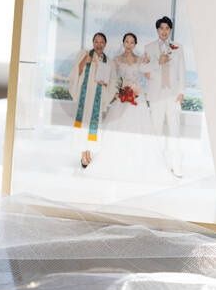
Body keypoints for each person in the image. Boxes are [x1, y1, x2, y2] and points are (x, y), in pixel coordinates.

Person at [85, 33, 172, 184]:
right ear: (123, 43)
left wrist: (154, 66)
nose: (129, 44)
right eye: (127, 41)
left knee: (138, 129)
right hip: (122, 97)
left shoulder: (141, 59)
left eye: (132, 42)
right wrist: (103, 78)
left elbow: (149, 75)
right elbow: (110, 76)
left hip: (137, 97)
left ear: (135, 44)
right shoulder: (117, 60)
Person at [143, 16, 185, 177]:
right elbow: (144, 68)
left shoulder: (178, 47)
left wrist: (181, 92)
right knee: (156, 130)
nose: (164, 31)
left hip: (173, 95)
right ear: (157, 30)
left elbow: (181, 70)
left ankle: (176, 166)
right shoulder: (149, 48)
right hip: (156, 95)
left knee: (175, 131)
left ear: (170, 30)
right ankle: (154, 165)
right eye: (161, 28)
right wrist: (154, 65)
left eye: (167, 28)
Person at [68, 32, 114, 168]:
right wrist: (85, 61)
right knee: (83, 124)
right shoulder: (84, 54)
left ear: (105, 44)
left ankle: (89, 150)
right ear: (93, 42)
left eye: (101, 42)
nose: (99, 44)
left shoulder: (108, 62)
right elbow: (76, 72)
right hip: (85, 96)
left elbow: (111, 82)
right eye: (96, 41)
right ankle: (83, 153)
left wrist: (106, 84)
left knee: (92, 126)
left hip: (97, 99)